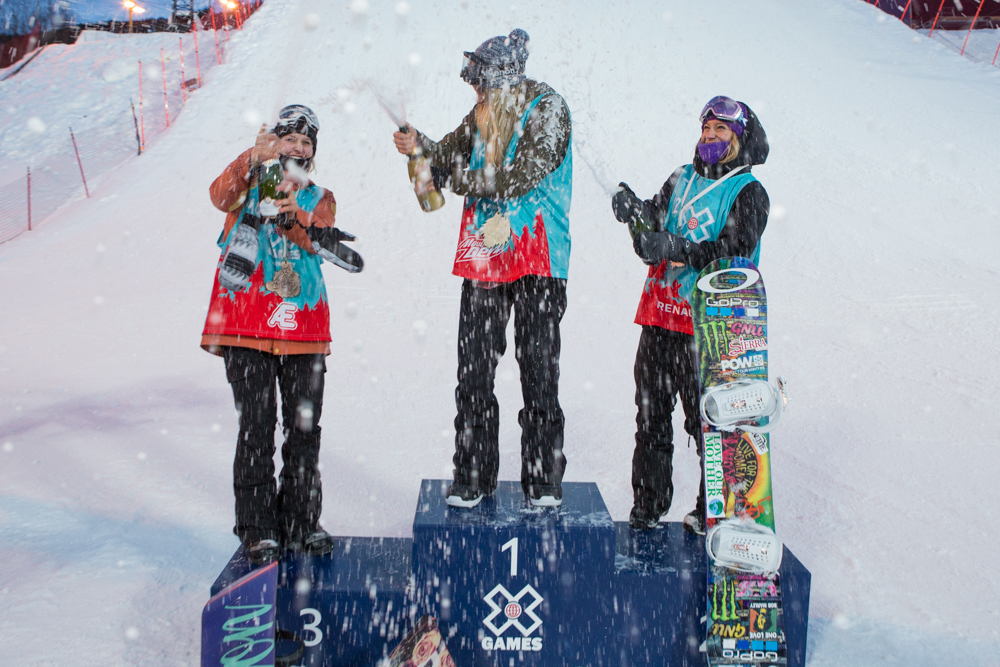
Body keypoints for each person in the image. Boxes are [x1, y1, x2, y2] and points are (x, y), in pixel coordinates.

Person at [391, 29, 573, 508]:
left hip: (538, 258)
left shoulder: (548, 109)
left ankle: (543, 482)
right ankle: (472, 475)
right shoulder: (481, 116)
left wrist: (456, 177)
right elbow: (445, 155)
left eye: (483, 87)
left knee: (539, 372)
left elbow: (521, 174)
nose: (477, 95)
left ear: (505, 81)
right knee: (473, 372)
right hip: (484, 256)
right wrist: (418, 145)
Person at [201, 105, 363, 564]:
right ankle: (257, 529)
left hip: (302, 324)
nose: (299, 148)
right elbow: (219, 197)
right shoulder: (249, 181)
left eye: (307, 142)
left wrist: (296, 218)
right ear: (275, 141)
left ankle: (301, 522)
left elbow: (321, 242)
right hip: (247, 322)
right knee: (256, 427)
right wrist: (250, 160)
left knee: (304, 429)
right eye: (290, 138)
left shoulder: (320, 197)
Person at [612, 96, 770, 533]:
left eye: (721, 130)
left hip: (708, 327)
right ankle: (648, 506)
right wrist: (635, 212)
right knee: (650, 418)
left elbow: (733, 253)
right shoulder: (681, 177)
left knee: (709, 424)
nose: (710, 137)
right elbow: (654, 223)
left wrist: (678, 247)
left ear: (739, 138)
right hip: (660, 316)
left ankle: (714, 511)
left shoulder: (748, 192)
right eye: (706, 129)